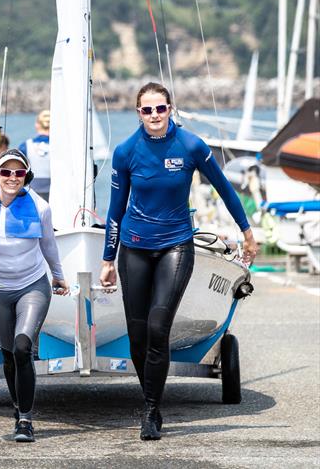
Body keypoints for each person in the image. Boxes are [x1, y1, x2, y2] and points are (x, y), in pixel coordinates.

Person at [99, 82, 258, 441]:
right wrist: (108, 258)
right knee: (138, 337)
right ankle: (149, 397)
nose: (154, 116)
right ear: (138, 113)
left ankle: (151, 410)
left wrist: (247, 232)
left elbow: (224, 188)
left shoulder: (190, 146)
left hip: (176, 245)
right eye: (147, 110)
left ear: (170, 108)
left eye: (161, 108)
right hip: (134, 247)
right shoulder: (126, 152)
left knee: (158, 327)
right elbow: (114, 210)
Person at [0, 148, 69, 443]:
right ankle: (17, 405)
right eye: (6, 172)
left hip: (32, 286)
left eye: (18, 172)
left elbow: (49, 246)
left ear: (26, 176)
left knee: (23, 348)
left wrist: (58, 275)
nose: (12, 178)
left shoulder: (40, 207)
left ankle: (25, 420)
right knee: (8, 355)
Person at [18, 110, 51, 200]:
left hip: (32, 190)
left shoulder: (25, 146)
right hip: (54, 189)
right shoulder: (59, 146)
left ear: (37, 125)